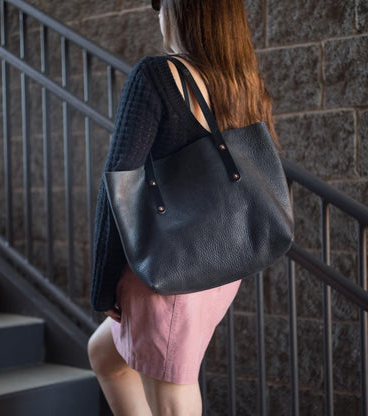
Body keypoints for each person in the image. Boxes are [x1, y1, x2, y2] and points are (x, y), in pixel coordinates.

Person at [88, 0, 280, 414]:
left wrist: (102, 286)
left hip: (169, 270)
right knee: (104, 354)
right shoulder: (241, 81)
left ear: (182, 10)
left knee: (174, 392)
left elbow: (117, 187)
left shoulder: (157, 75)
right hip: (218, 263)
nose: (157, 13)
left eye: (160, 4)